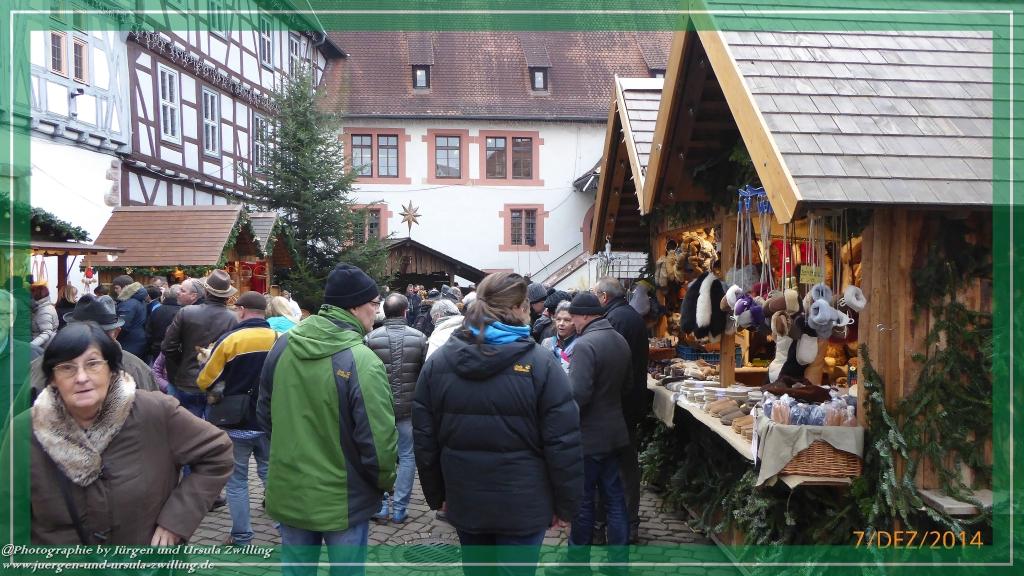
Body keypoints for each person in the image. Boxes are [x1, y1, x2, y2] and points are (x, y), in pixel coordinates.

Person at [413, 272, 583, 576]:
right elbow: (564, 443)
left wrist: (437, 495)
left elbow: (426, 438)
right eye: (529, 305)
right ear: (518, 307)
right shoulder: (542, 364)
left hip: (467, 497)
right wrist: (566, 505)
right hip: (524, 502)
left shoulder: (439, 363)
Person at [25, 322, 233, 544]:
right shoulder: (28, 429)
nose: (81, 377)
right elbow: (10, 521)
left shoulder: (154, 412)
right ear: (52, 378)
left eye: (93, 364)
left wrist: (177, 520)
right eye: (67, 367)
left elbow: (218, 452)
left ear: (112, 370)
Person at [258, 263, 397, 576]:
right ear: (354, 306)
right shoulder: (362, 361)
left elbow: (265, 415)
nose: (376, 312)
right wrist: (384, 482)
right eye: (374, 304)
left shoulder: (282, 345)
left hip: (290, 488)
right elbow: (378, 443)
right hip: (344, 499)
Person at [197, 292, 277, 546]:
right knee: (271, 475)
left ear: (241, 310)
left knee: (238, 480)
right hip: (269, 421)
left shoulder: (230, 340)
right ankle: (287, 529)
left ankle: (242, 536)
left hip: (236, 422)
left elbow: (205, 380)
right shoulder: (279, 339)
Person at [565, 291, 632, 564]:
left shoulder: (584, 345)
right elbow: (627, 387)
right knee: (615, 500)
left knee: (582, 504)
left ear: (584, 315)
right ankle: (618, 563)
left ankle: (576, 565)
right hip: (615, 433)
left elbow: (577, 395)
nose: (572, 324)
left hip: (588, 437)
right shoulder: (619, 340)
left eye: (573, 318)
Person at [592, 277, 650, 543]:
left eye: (595, 294)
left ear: (604, 297)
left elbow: (613, 368)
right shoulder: (629, 316)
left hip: (620, 406)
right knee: (622, 466)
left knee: (623, 468)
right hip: (628, 403)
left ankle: (625, 525)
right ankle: (617, 523)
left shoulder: (617, 320)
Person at [365, 293, 428, 525]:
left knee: (380, 455)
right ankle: (400, 508)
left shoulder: (370, 339)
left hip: (379, 410)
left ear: (384, 311)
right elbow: (424, 377)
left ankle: (381, 505)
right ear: (405, 312)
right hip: (408, 410)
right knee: (407, 456)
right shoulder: (420, 338)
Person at [162, 270, 239, 419]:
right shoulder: (234, 319)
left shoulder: (186, 313)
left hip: (188, 381)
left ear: (206, 291)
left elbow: (168, 347)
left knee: (187, 433)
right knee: (212, 434)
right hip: (216, 383)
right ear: (227, 295)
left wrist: (183, 362)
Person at [111, 275, 148, 358]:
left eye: (117, 288)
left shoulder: (128, 303)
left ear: (126, 287)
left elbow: (122, 325)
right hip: (137, 341)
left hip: (129, 343)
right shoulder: (139, 300)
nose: (115, 290)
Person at [146, 284, 183, 363]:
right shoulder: (182, 312)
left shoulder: (157, 310)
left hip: (156, 348)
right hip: (173, 351)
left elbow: (149, 331)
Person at [540, 301, 577, 374]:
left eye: (567, 320)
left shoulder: (580, 345)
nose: (561, 323)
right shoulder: (546, 343)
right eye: (558, 319)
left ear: (575, 322)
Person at [30, 283, 58, 349]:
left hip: (43, 347)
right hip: (44, 346)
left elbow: (46, 332)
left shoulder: (44, 311)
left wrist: (31, 345)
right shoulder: (42, 307)